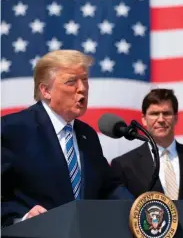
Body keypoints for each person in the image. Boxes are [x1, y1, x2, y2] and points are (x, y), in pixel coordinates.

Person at [1, 50, 132, 227]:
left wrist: (140, 208)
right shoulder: (13, 130)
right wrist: (22, 218)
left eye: (84, 80)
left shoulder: (88, 135)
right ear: (45, 90)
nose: (82, 88)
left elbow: (108, 188)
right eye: (72, 82)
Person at [111, 88, 183, 211]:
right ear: (143, 119)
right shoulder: (124, 165)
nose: (161, 119)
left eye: (166, 113)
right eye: (154, 114)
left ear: (176, 118)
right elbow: (121, 213)